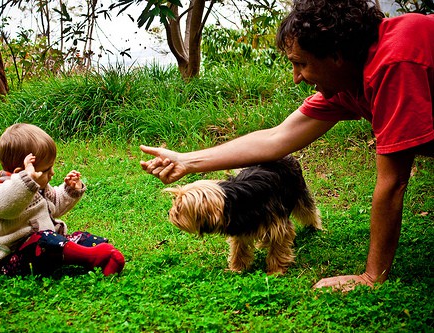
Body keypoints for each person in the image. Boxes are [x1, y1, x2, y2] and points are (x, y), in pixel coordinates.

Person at [140, 0, 434, 291]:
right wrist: (185, 160)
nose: (296, 78)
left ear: (336, 53)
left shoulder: (395, 62)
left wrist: (372, 276)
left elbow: (393, 182)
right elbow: (277, 138)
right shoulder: (349, 83)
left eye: (301, 63)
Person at [0, 123, 125, 277]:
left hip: (48, 242)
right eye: (46, 170)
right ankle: (89, 257)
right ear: (22, 173)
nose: (52, 173)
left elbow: (55, 203)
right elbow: (7, 207)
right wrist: (26, 181)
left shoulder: (37, 186)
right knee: (46, 242)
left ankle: (103, 252)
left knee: (78, 237)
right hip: (14, 257)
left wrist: (70, 190)